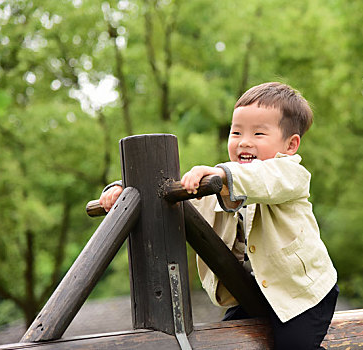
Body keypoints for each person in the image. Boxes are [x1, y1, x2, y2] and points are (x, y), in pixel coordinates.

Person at [99, 82, 338, 349]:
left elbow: (263, 179)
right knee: (228, 343)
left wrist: (221, 173)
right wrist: (125, 189)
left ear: (291, 144)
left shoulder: (291, 175)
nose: (244, 141)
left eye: (259, 133)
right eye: (236, 132)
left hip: (301, 293)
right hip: (250, 293)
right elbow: (171, 197)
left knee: (294, 345)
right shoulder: (219, 181)